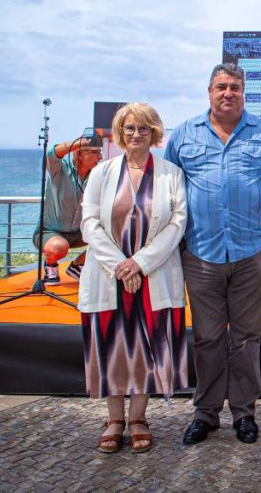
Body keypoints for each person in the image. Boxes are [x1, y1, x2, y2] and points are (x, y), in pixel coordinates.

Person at [164, 63, 261, 446]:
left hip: (253, 252)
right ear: (209, 92)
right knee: (208, 338)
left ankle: (245, 414)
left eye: (234, 87)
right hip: (200, 253)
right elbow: (168, 189)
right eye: (221, 87)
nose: (228, 93)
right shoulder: (184, 134)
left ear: (244, 92)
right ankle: (206, 413)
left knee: (246, 338)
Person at [78, 102, 188, 454]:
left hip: (152, 274)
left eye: (143, 128)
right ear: (120, 133)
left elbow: (177, 224)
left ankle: (139, 418)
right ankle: (114, 420)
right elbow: (89, 223)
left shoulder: (171, 173)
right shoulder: (102, 173)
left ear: (154, 132)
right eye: (130, 128)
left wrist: (139, 263)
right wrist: (121, 266)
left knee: (146, 347)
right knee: (110, 346)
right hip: (109, 275)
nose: (136, 134)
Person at [34, 134, 102, 284]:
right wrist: (79, 142)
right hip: (51, 232)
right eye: (95, 152)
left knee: (112, 236)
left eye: (100, 152)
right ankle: (50, 265)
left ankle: (76, 266)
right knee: (58, 247)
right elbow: (51, 153)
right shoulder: (60, 169)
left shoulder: (97, 176)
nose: (100, 156)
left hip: (79, 232)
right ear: (79, 153)